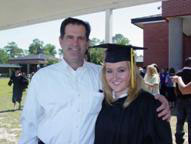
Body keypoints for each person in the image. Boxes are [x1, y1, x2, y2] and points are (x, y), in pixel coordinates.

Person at [19, 17, 171, 144]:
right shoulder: (42, 78)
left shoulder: (100, 74)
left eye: (80, 38)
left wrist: (157, 99)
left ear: (87, 43)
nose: (75, 43)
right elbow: (29, 123)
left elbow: (128, 92)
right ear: (61, 41)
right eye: (70, 37)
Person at [93, 43, 172, 144]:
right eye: (109, 71)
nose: (114, 77)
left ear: (132, 71)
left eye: (121, 70)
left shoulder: (150, 105)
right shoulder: (104, 102)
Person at [174, 57, 191, 144]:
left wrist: (178, 97)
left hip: (180, 100)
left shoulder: (178, 73)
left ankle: (179, 140)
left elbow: (175, 89)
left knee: (179, 121)